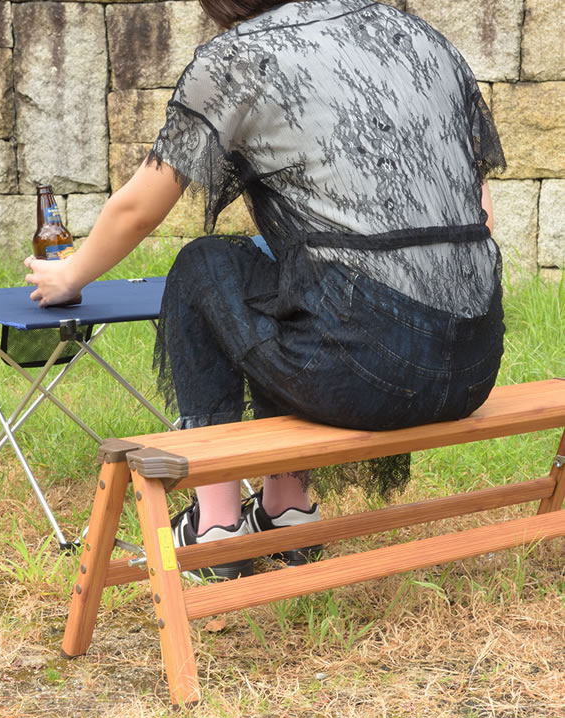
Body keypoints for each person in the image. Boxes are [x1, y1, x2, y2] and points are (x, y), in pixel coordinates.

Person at [25, 0, 506, 581]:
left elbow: (136, 210)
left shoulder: (238, 57)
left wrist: (68, 273)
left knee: (203, 266)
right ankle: (286, 507)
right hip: (475, 363)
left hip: (371, 372)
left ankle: (216, 525)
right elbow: (480, 211)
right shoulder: (412, 33)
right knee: (280, 273)